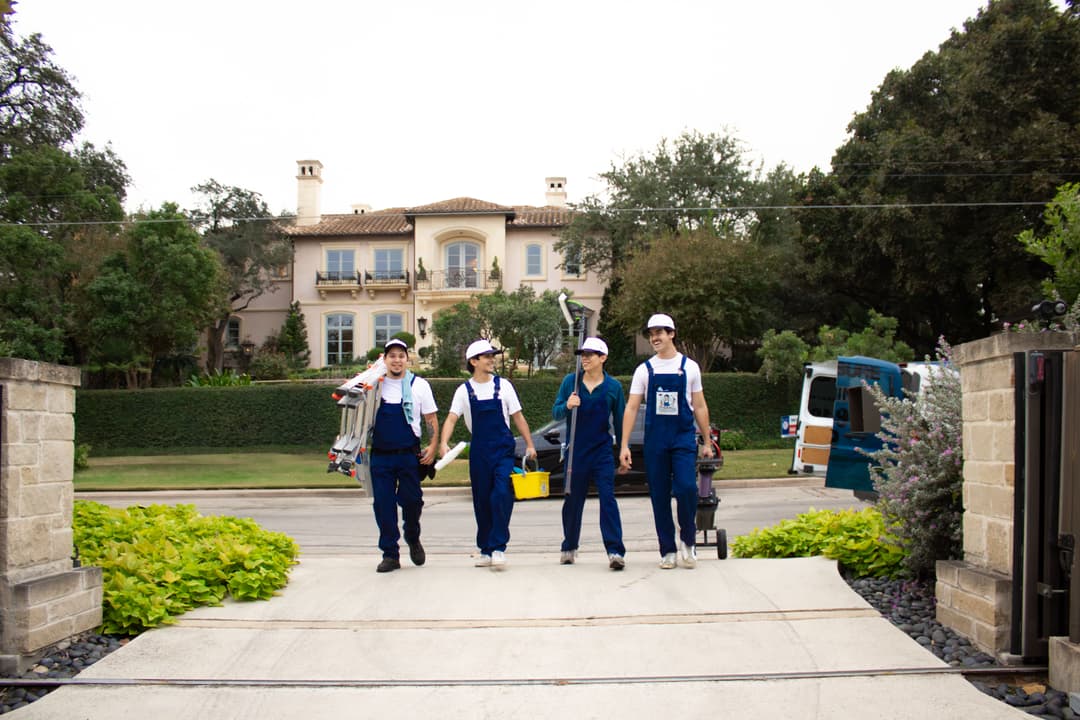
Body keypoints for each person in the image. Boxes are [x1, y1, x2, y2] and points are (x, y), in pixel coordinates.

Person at [619, 314, 714, 570]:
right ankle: (667, 550)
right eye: (651, 334)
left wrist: (707, 440)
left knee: (686, 488)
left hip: (682, 438)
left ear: (672, 333)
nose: (654, 338)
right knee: (659, 496)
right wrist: (624, 444)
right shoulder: (645, 370)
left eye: (659, 332)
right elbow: (631, 408)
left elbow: (700, 406)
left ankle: (688, 541)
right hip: (656, 442)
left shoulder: (690, 367)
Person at [440, 339, 536, 569]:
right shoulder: (464, 391)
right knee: (482, 500)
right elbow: (452, 418)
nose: (492, 359)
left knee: (501, 494)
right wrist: (444, 443)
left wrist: (530, 444)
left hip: (503, 449)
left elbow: (518, 417)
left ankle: (499, 547)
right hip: (480, 451)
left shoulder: (504, 386)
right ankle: (485, 549)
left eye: (493, 356)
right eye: (486, 356)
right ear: (473, 362)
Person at [552, 336, 628, 570]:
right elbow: (555, 413)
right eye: (582, 355)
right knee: (572, 500)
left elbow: (622, 419)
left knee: (608, 499)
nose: (584, 358)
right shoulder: (570, 383)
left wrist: (624, 448)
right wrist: (567, 405)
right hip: (576, 451)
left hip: (602, 451)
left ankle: (615, 551)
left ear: (602, 358)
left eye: (590, 355)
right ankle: (569, 547)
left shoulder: (613, 387)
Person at [370, 338, 439, 573]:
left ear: (407, 360)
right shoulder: (373, 386)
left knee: (412, 501)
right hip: (380, 456)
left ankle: (412, 535)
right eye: (392, 355)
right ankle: (390, 554)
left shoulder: (419, 385)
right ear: (385, 359)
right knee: (383, 505)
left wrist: (433, 445)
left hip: (409, 455)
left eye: (401, 355)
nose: (397, 360)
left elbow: (430, 418)